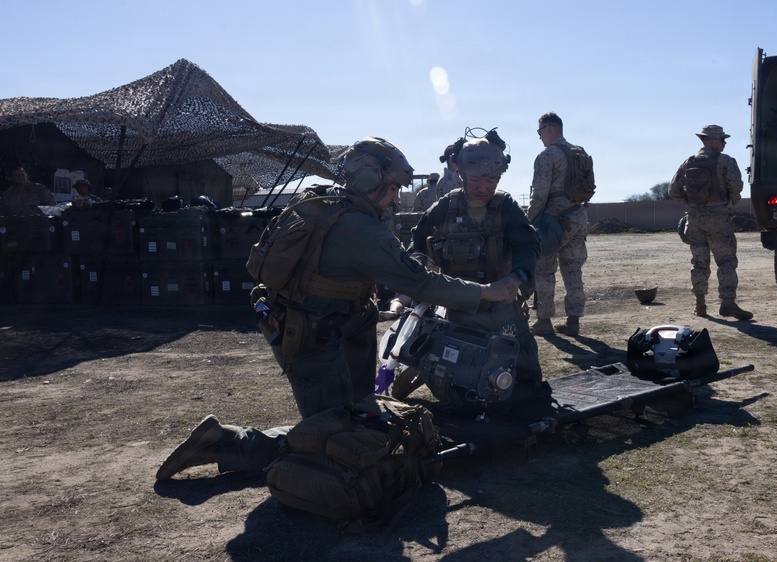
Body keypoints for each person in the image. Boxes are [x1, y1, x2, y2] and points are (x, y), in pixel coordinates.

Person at [156, 137, 522, 481]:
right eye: (393, 188)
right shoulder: (360, 229)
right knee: (329, 441)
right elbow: (422, 282)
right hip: (314, 341)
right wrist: (487, 292)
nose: (396, 199)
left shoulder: (323, 203)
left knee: (360, 418)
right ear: (369, 181)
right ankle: (223, 442)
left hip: (323, 328)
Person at [411, 131, 543, 384]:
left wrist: (517, 278)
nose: (484, 188)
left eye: (492, 180)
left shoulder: (506, 207)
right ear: (460, 174)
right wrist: (420, 262)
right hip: (461, 311)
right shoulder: (445, 207)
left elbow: (528, 245)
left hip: (504, 310)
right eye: (476, 181)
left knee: (528, 379)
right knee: (462, 380)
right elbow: (418, 238)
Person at [668, 125, 753, 320]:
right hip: (718, 217)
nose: (724, 143)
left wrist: (690, 203)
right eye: (722, 139)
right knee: (726, 261)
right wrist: (732, 199)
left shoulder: (687, 162)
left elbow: (673, 190)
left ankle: (700, 305)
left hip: (694, 219)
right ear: (712, 140)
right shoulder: (726, 161)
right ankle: (728, 303)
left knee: (699, 262)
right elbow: (736, 185)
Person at [527, 112, 589, 337]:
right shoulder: (579, 152)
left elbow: (539, 194)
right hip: (579, 217)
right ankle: (573, 321)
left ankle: (544, 321)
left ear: (549, 129)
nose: (539, 137)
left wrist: (529, 220)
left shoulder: (547, 155)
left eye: (540, 131)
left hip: (553, 221)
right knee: (573, 270)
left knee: (544, 270)